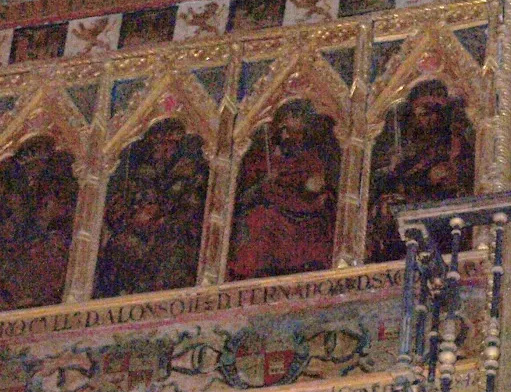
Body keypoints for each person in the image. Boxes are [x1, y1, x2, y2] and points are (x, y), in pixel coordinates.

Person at [95, 119, 208, 297]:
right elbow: (120, 207)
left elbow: (192, 210)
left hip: (170, 232)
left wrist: (161, 220)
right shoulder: (141, 174)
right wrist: (122, 214)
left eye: (167, 145)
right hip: (138, 230)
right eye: (157, 145)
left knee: (172, 251)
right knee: (119, 246)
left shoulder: (189, 174)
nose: (161, 150)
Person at [227, 102, 340, 281]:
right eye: (285, 131)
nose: (288, 137)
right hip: (272, 206)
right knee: (262, 218)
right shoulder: (262, 160)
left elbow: (318, 185)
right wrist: (265, 181)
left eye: (295, 134)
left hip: (303, 207)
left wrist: (314, 189)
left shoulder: (309, 158)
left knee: (316, 225)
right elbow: (245, 195)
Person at [367, 82, 476, 263]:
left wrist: (440, 175)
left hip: (441, 204)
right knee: (385, 205)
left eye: (431, 113)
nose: (427, 120)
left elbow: (458, 175)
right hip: (414, 201)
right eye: (421, 115)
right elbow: (401, 179)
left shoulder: (454, 144)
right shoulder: (414, 150)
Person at [0, 137, 77, 309]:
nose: (33, 176)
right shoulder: (16, 195)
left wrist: (44, 220)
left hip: (41, 246)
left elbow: (60, 221)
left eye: (37, 171)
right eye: (28, 171)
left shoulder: (55, 193)